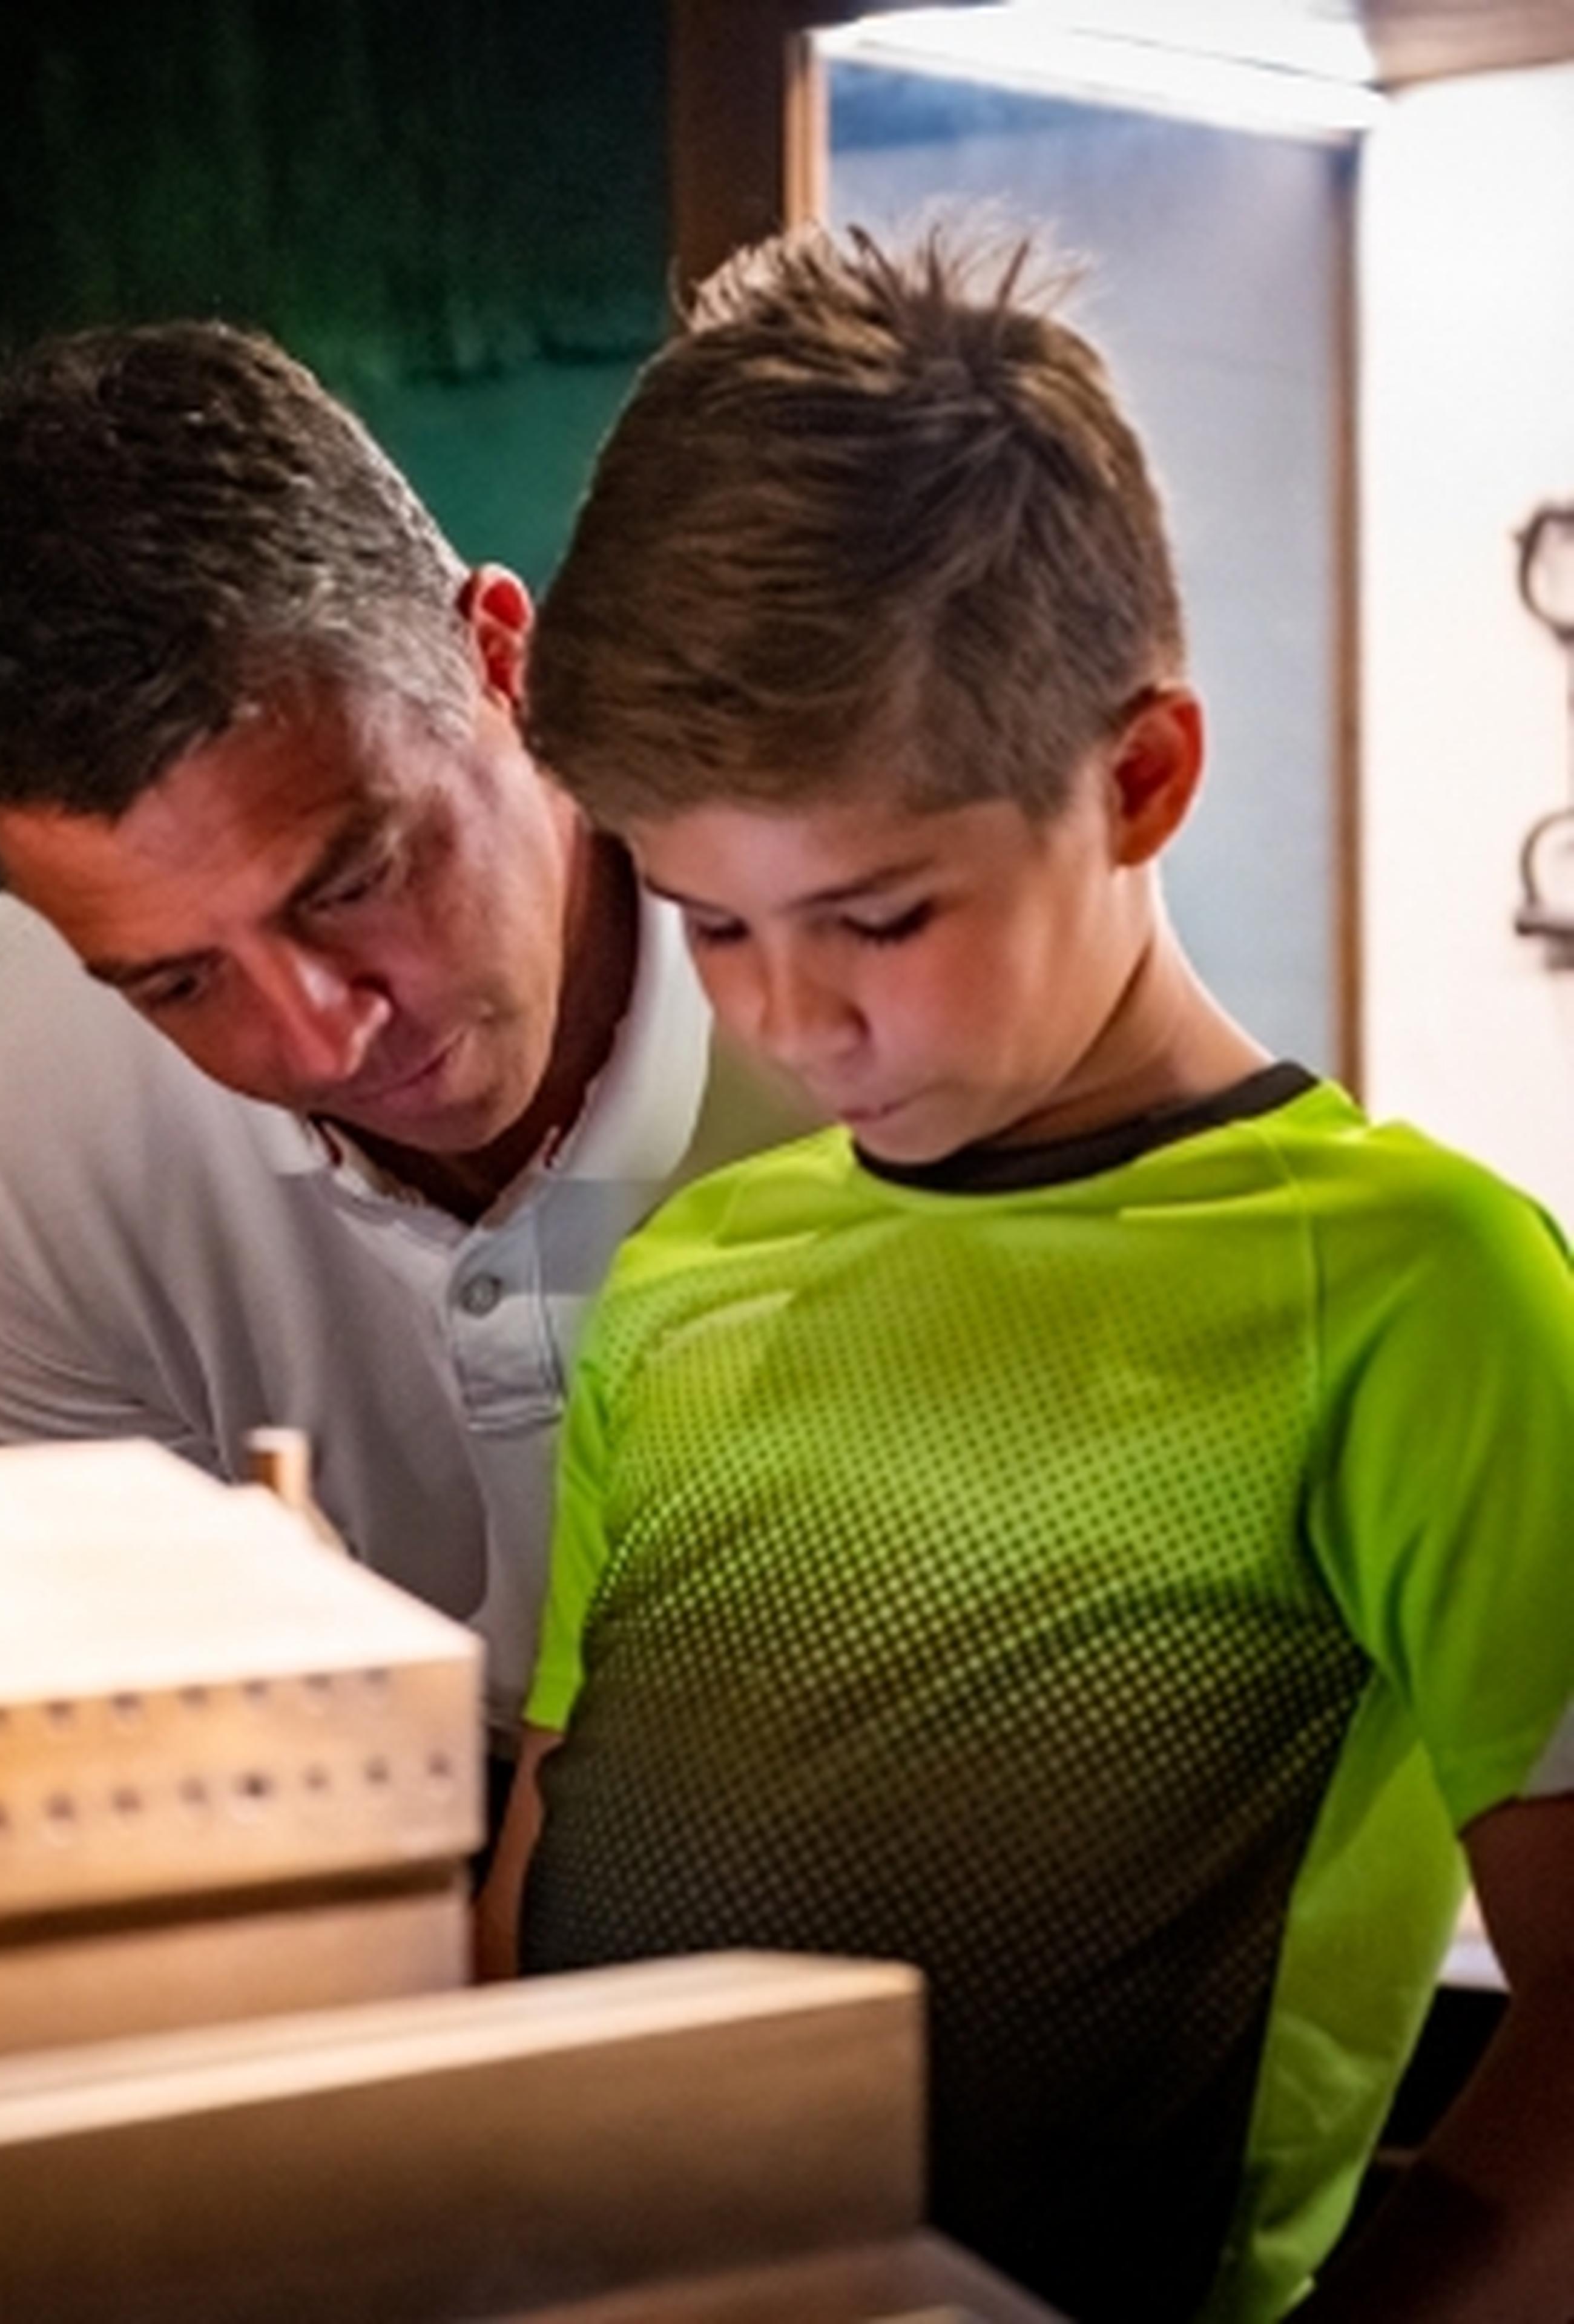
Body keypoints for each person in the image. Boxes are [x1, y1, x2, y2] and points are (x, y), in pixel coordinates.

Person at [476, 224, 1574, 2324]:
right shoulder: (689, 1272)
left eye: (879, 918)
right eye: (712, 922)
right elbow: (547, 1879)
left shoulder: (1419, 1290)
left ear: (1139, 779)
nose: (787, 1017)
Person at [0, 320, 796, 1752]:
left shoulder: (865, 947)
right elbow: (181, 1756)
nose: (316, 1042)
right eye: (177, 985)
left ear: (503, 661)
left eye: (354, 882)